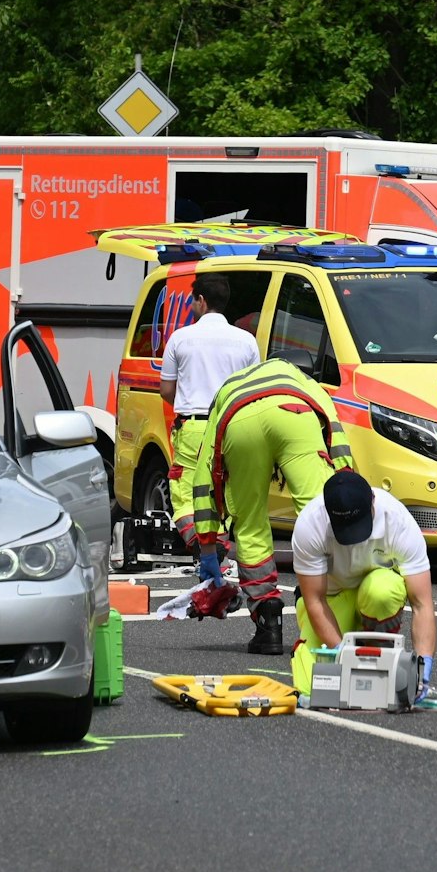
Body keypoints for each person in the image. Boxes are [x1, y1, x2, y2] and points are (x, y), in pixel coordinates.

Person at [195, 357, 352, 654]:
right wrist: (348, 491)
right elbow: (337, 439)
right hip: (295, 414)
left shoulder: (226, 392)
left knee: (250, 523)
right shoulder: (304, 382)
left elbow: (204, 474)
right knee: (319, 513)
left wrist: (207, 548)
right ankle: (322, 606)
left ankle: (268, 623)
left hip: (239, 422)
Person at [288, 470, 437, 699]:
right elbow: (315, 601)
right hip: (332, 597)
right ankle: (355, 657)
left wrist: (423, 664)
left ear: (372, 503)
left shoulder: (397, 519)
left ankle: (378, 656)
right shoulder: (309, 525)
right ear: (328, 514)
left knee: (382, 592)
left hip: (374, 589)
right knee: (313, 688)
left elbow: (422, 604)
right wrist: (342, 656)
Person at [159, 274, 259, 563]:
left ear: (201, 301)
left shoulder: (180, 338)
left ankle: (200, 546)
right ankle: (219, 552)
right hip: (232, 427)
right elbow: (253, 391)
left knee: (187, 491)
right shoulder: (246, 342)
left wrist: (187, 400)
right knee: (223, 491)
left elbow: (167, 389)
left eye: (193, 300)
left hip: (194, 426)